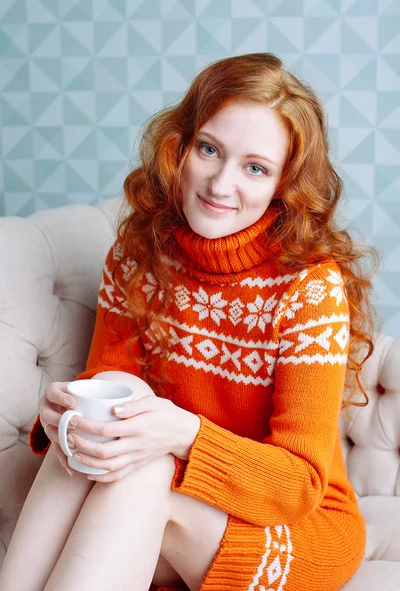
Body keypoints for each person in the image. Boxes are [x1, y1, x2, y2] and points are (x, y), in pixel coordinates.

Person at [0, 52, 380, 591]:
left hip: (293, 522)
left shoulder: (307, 288)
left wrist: (181, 433)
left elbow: (299, 484)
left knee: (146, 467)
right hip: (165, 488)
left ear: (284, 185)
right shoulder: (138, 253)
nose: (221, 184)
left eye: (255, 167)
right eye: (209, 149)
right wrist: (68, 414)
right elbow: (111, 385)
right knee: (101, 431)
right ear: (179, 145)